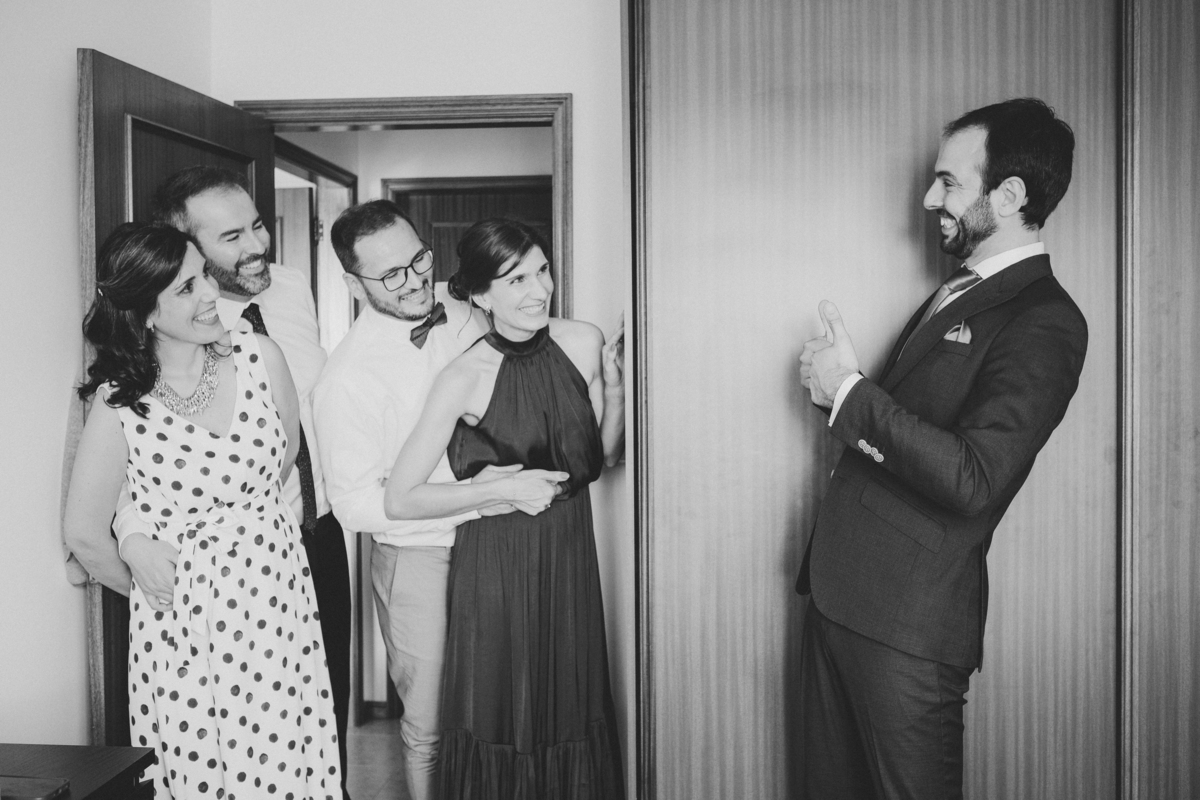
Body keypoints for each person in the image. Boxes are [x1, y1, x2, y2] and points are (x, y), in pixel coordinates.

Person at [795, 97, 1088, 799]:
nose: (930, 199)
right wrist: (838, 393)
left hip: (908, 630)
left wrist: (850, 393)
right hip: (838, 601)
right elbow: (910, 428)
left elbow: (974, 477)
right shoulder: (957, 291)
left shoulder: (1046, 320)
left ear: (1008, 196)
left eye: (949, 182)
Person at [64, 222, 341, 799]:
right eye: (186, 288)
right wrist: (164, 596)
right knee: (208, 776)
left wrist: (246, 544)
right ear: (145, 313)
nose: (212, 294)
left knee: (287, 765)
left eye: (204, 277)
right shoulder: (120, 403)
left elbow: (283, 457)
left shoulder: (261, 356)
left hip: (278, 602)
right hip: (187, 634)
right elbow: (84, 533)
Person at [314, 201, 565, 800]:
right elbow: (355, 506)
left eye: (420, 259)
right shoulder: (346, 380)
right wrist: (480, 497)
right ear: (353, 284)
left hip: (504, 541)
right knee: (430, 722)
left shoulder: (465, 306)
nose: (415, 280)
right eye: (391, 274)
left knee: (509, 705)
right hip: (421, 557)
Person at [384, 218, 626, 799]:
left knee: (568, 708)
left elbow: (605, 458)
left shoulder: (583, 342)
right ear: (481, 294)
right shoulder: (463, 376)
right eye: (516, 280)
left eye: (542, 271)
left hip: (569, 557)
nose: (539, 290)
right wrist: (497, 492)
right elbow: (400, 497)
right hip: (496, 566)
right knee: (502, 711)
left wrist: (616, 393)